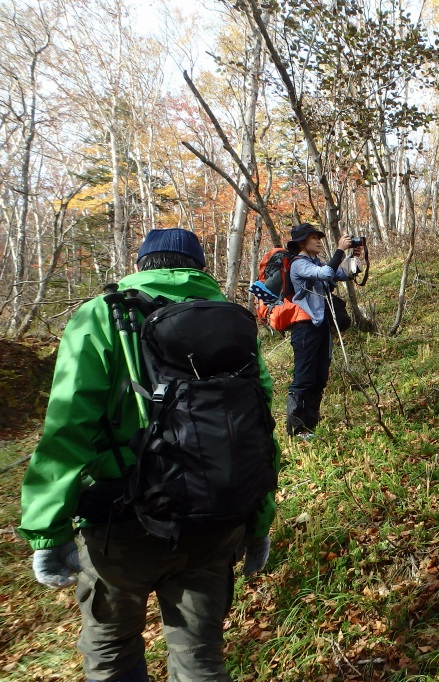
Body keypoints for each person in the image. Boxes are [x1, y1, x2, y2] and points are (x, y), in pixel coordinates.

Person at [19, 228, 280, 682]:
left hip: (122, 520)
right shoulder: (232, 321)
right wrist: (259, 524)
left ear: (142, 264)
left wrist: (47, 530)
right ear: (199, 267)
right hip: (216, 516)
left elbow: (68, 427)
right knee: (199, 656)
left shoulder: (104, 313)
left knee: (112, 650)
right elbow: (258, 428)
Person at [285, 223, 361, 438]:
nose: (319, 241)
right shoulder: (299, 264)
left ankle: (311, 424)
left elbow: (342, 274)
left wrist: (353, 257)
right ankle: (297, 429)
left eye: (319, 237)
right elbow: (327, 273)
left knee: (319, 377)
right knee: (303, 377)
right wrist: (339, 249)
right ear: (301, 243)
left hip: (321, 326)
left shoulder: (314, 262)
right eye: (313, 238)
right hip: (304, 328)